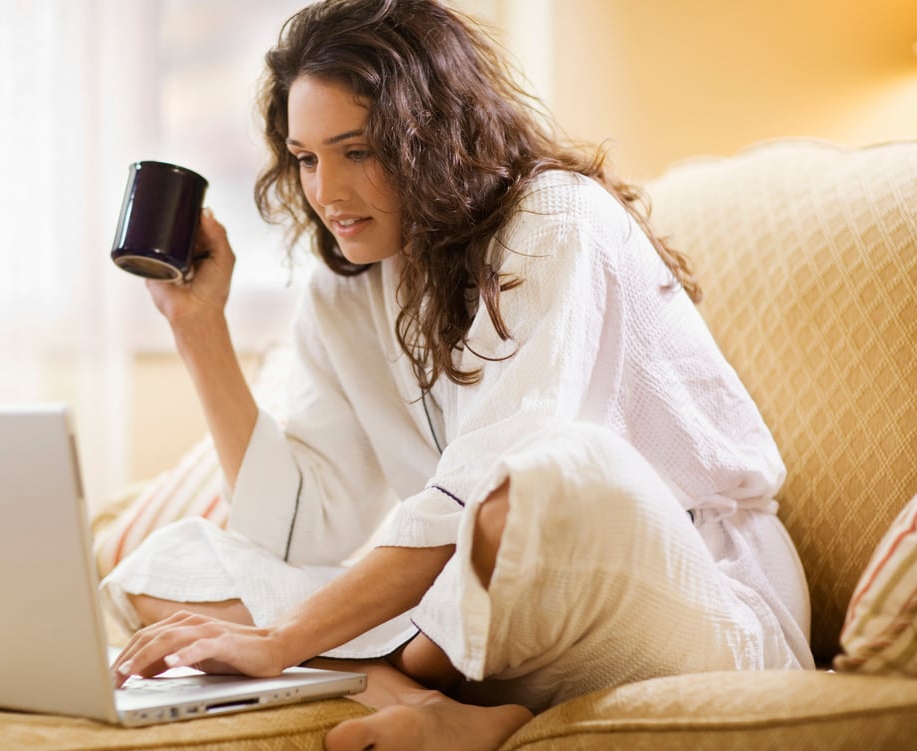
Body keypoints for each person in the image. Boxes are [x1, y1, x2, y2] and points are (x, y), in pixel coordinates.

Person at [102, 1, 813, 749]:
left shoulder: (558, 220)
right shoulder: (346, 284)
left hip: (678, 588)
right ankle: (421, 693)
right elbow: (302, 527)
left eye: (358, 151)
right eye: (307, 157)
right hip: (477, 604)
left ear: (429, 138)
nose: (328, 194)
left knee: (541, 481)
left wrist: (282, 639)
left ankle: (409, 657)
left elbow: (487, 489)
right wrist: (198, 328)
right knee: (165, 563)